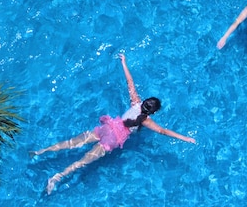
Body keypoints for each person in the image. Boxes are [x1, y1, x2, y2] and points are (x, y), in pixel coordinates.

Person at [30, 54, 196, 195]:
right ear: (152, 112)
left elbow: (130, 82)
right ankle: (55, 177)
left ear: (144, 102)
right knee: (81, 162)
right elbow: (164, 131)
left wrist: (124, 62)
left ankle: (40, 151)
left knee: (71, 143)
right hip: (112, 140)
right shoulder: (146, 120)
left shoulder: (135, 102)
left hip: (106, 128)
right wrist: (186, 138)